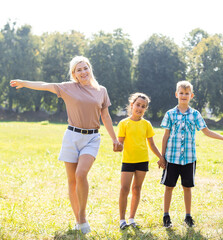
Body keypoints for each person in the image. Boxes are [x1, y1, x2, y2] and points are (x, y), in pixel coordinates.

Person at [10, 56, 123, 234]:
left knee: (81, 174)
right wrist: (24, 83)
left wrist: (114, 139)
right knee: (71, 181)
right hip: (71, 137)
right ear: (74, 74)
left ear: (89, 69)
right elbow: (45, 85)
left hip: (92, 138)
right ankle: (78, 221)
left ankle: (83, 216)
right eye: (79, 70)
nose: (83, 72)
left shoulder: (101, 90)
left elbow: (106, 116)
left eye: (85, 68)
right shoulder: (68, 88)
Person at [160, 80, 223, 228]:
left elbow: (206, 131)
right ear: (176, 94)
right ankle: (166, 216)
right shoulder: (170, 114)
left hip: (189, 159)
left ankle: (188, 216)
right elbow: (165, 136)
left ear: (191, 95)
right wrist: (162, 156)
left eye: (187, 93)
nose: (184, 96)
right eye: (181, 93)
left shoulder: (195, 114)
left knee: (187, 187)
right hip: (171, 158)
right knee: (169, 187)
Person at [117, 92, 165, 230]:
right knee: (124, 189)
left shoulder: (147, 124)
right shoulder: (123, 123)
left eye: (143, 106)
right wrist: (117, 146)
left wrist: (161, 157)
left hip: (142, 161)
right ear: (132, 105)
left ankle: (131, 218)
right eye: (138, 105)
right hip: (128, 161)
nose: (140, 108)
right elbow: (120, 143)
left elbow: (152, 144)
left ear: (145, 109)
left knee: (136, 189)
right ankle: (122, 220)